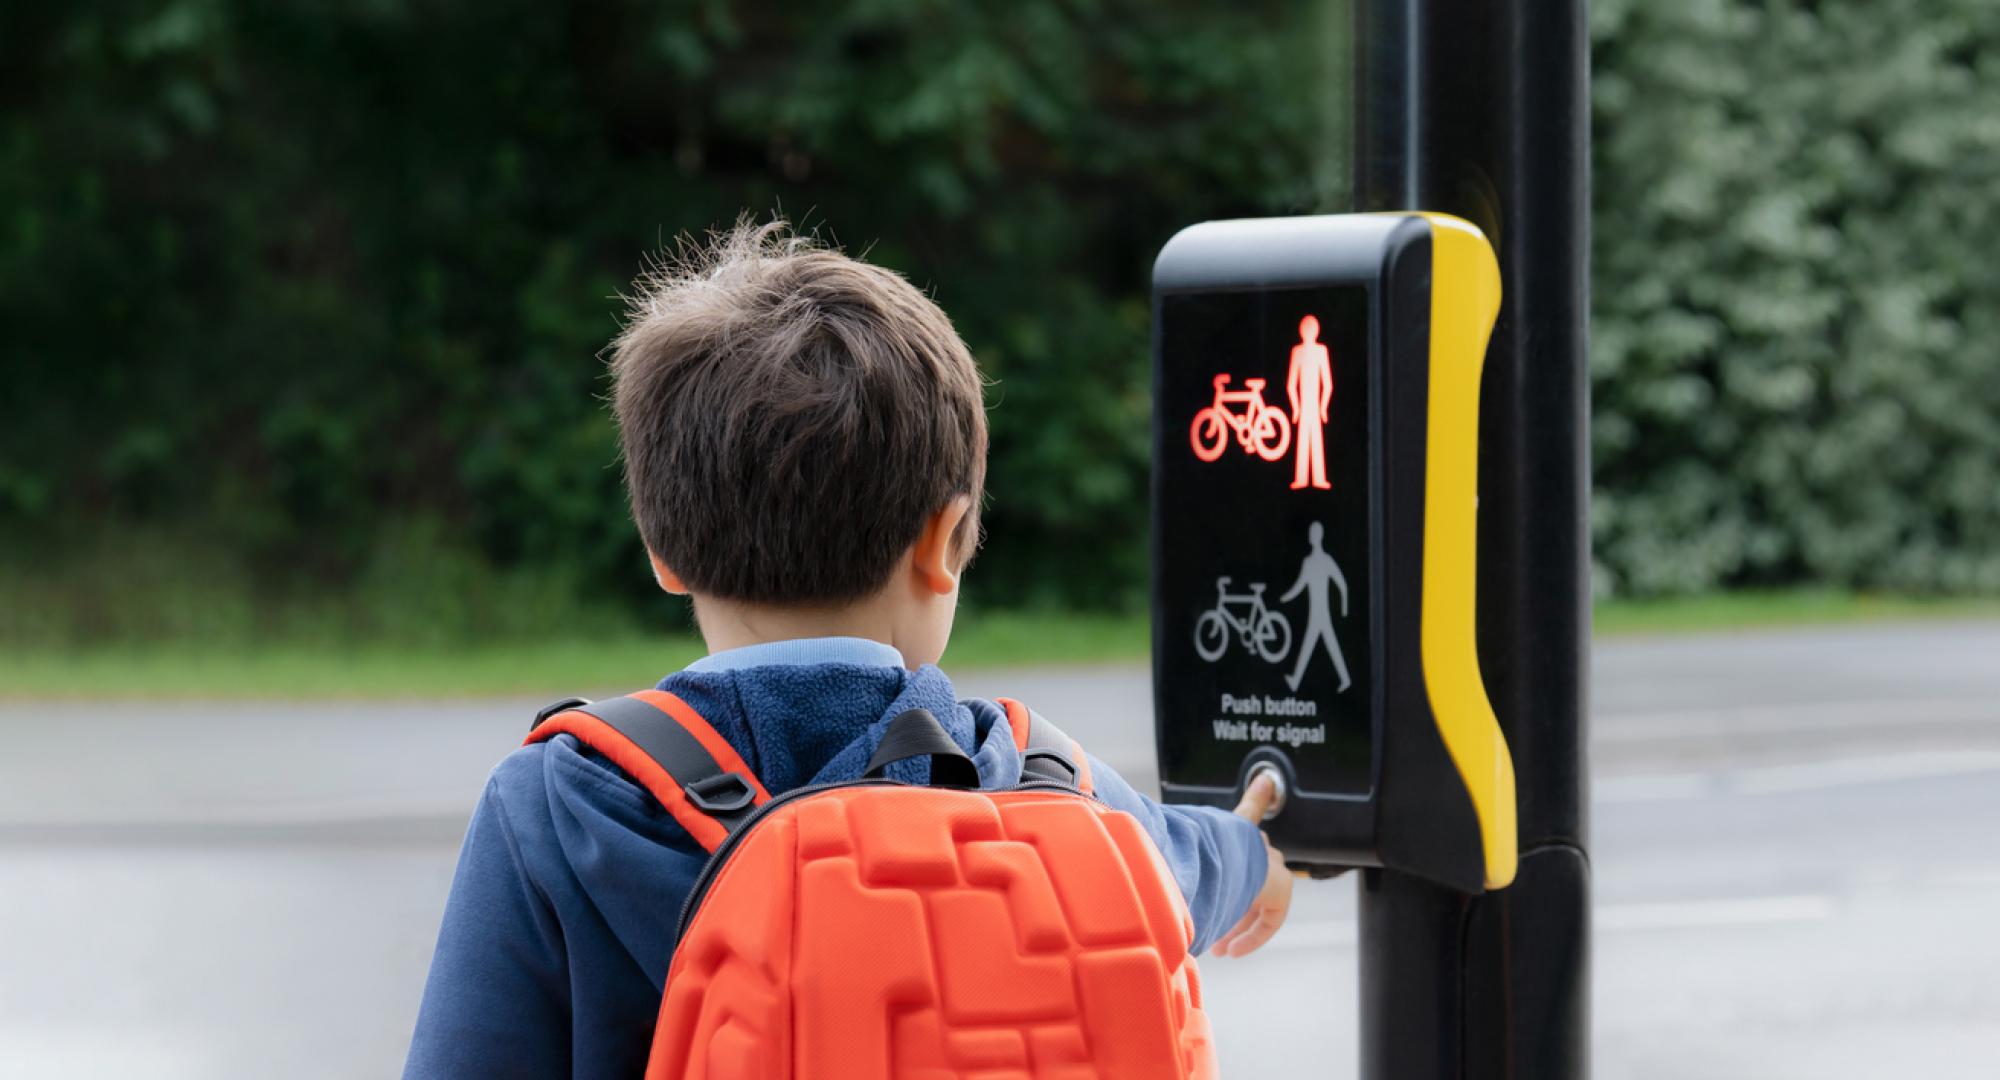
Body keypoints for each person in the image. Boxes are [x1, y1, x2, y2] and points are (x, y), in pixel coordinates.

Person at [402, 221, 1293, 1079]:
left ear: (659, 550)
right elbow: (1193, 863)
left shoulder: (559, 807)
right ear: (946, 542)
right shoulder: (1046, 781)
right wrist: (1257, 859)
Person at [1282, 521, 1351, 693]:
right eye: (1310, 533)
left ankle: (1296, 680)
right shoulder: (1308, 562)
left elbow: (1342, 585)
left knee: (1318, 645)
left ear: (1318, 536)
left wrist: (1344, 609)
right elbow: (1299, 586)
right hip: (1317, 614)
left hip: (1321, 615)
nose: (1310, 536)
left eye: (1313, 533)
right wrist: (1286, 598)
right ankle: (1343, 679)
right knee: (1324, 645)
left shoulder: (1326, 561)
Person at [1286, 314, 1333, 490]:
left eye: (1310, 329)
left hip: (1313, 402)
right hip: (1305, 403)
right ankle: (1301, 478)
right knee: (1303, 440)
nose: (1308, 332)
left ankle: (1319, 478)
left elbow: (1328, 383)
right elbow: (1291, 384)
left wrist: (1323, 407)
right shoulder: (1297, 352)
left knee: (1316, 440)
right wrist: (1296, 407)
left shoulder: (1322, 351)